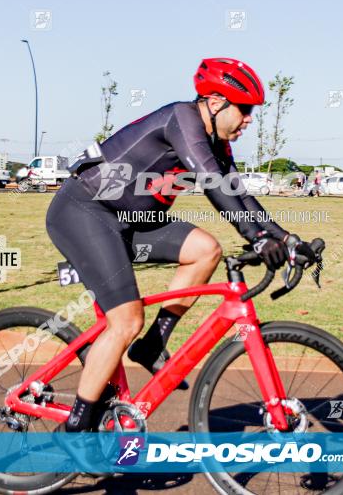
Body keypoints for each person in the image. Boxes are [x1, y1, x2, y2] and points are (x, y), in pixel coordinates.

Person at [46, 57, 312, 439]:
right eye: (246, 109)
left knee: (205, 249)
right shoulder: (182, 120)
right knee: (126, 321)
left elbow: (237, 192)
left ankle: (153, 344)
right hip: (84, 211)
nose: (251, 119)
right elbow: (212, 183)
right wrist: (256, 238)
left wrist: (285, 239)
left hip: (131, 221)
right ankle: (77, 430)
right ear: (217, 102)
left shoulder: (215, 141)